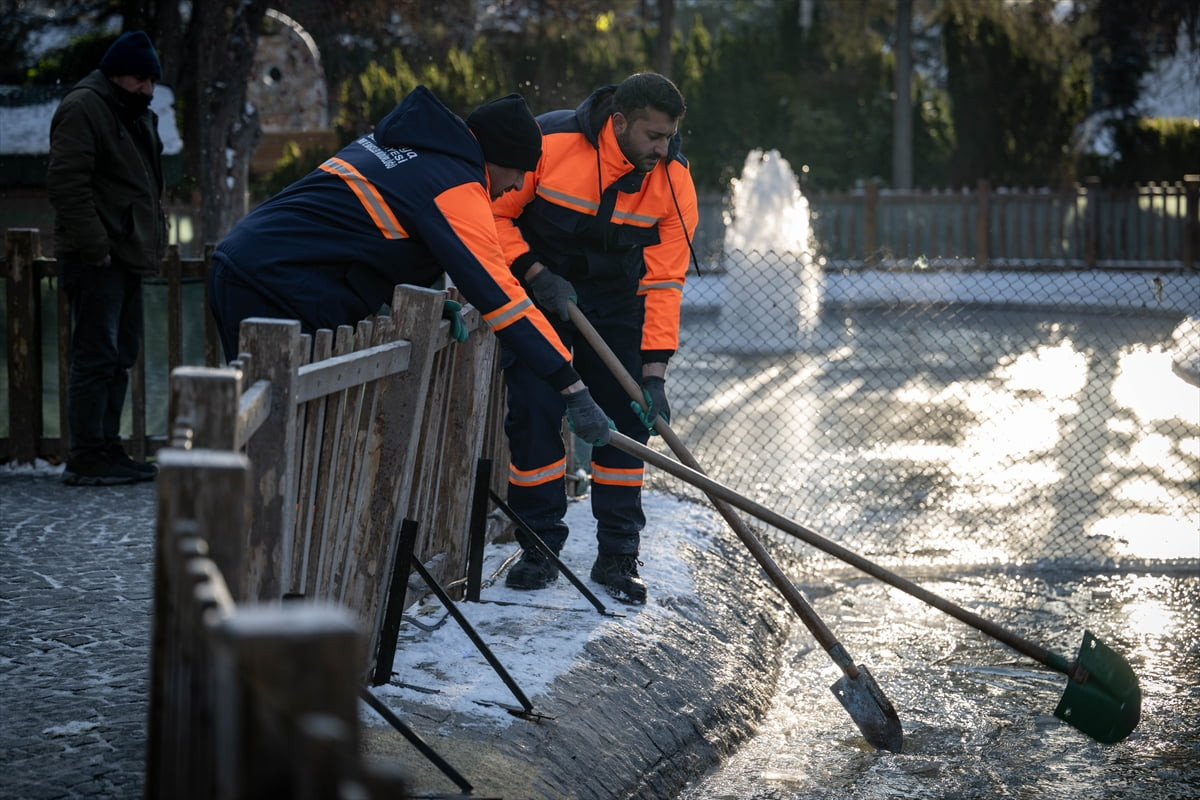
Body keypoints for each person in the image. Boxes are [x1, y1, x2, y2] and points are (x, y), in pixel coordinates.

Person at [207, 86, 611, 448]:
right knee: (285, 433)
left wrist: (415, 298)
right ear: (498, 157)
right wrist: (571, 386)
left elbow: (356, 235)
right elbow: (503, 298)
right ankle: (244, 522)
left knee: (264, 420)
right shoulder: (455, 186)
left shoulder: (404, 147)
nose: (519, 185)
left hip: (246, 264)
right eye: (520, 170)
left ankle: (246, 515)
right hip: (275, 284)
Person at [492, 72, 699, 604]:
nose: (663, 148)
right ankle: (539, 548)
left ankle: (618, 553)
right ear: (620, 122)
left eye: (670, 136)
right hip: (540, 300)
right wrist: (535, 273)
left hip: (616, 308)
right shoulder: (551, 145)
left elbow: (664, 280)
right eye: (654, 135)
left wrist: (654, 373)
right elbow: (492, 213)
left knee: (630, 419)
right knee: (535, 416)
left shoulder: (673, 181)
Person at [47, 31, 167, 486]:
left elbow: (142, 185)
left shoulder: (129, 111)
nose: (147, 89)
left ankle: (106, 446)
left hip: (125, 254)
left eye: (151, 81)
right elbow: (66, 184)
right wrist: (95, 246)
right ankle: (87, 454)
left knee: (119, 355)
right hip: (98, 257)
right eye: (140, 79)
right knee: (97, 357)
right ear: (116, 73)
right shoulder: (85, 108)